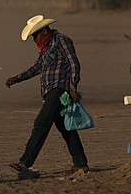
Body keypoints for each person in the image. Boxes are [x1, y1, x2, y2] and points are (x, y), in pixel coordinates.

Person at [6, 15, 89, 176]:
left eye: (35, 35)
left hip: (60, 90)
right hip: (51, 91)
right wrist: (17, 78)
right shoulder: (46, 48)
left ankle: (26, 161)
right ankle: (80, 163)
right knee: (66, 128)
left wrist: (72, 88)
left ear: (44, 31)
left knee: (41, 123)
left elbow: (74, 64)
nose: (34, 39)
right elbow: (36, 67)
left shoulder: (61, 40)